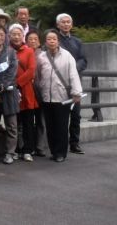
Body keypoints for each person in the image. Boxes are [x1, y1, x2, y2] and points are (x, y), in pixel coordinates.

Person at [35, 29, 83, 163]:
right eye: (49, 39)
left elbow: (73, 74)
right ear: (45, 41)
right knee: (50, 126)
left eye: (54, 39)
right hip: (46, 96)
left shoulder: (67, 56)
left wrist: (76, 92)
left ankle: (61, 152)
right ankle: (54, 151)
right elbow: (38, 75)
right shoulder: (41, 57)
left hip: (62, 96)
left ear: (58, 41)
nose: (51, 41)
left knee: (61, 126)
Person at [56, 13, 88, 155]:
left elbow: (83, 60)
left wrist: (74, 69)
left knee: (76, 115)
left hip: (75, 84)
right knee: (61, 116)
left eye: (68, 22)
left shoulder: (77, 42)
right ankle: (59, 143)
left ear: (72, 24)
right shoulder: (54, 40)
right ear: (58, 25)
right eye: (63, 22)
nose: (66, 24)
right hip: (60, 83)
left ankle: (74, 143)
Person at [9, 23, 39, 163]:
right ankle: (15, 149)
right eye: (13, 34)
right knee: (14, 123)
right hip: (10, 91)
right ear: (9, 36)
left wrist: (17, 83)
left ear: (23, 36)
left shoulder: (29, 51)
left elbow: (31, 70)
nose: (16, 36)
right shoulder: (6, 50)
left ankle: (28, 149)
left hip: (26, 90)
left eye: (19, 34)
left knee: (28, 122)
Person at [0, 23, 18, 165]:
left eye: (2, 35)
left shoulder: (11, 52)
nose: (0, 37)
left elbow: (12, 73)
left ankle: (10, 153)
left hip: (8, 93)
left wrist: (0, 88)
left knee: (11, 125)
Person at [26, 30, 48, 157]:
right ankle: (28, 146)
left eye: (35, 39)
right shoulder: (23, 53)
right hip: (27, 92)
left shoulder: (44, 55)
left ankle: (40, 147)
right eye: (30, 39)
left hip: (40, 92)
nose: (33, 41)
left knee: (41, 120)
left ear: (39, 41)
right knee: (27, 120)